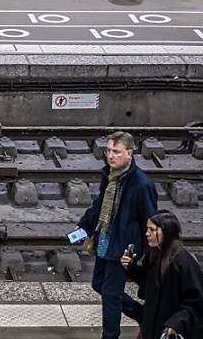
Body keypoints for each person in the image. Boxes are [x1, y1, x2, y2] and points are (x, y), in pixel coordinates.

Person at [77, 131, 158, 339]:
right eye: (108, 151)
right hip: (104, 241)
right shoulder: (110, 175)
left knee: (111, 294)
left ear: (129, 153)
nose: (111, 156)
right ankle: (141, 314)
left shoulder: (142, 185)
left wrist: (138, 253)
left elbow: (150, 223)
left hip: (122, 248)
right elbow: (99, 205)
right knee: (98, 285)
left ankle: (110, 336)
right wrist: (82, 229)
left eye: (116, 151)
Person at [121, 211, 203, 339]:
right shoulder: (153, 255)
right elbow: (148, 283)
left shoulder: (182, 262)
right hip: (152, 327)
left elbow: (198, 303)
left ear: (166, 232)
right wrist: (131, 267)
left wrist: (177, 323)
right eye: (147, 229)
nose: (147, 234)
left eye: (152, 229)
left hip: (171, 330)